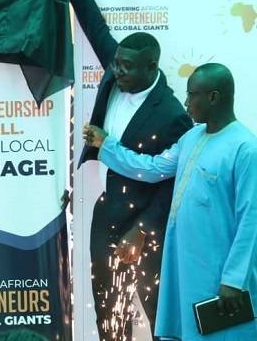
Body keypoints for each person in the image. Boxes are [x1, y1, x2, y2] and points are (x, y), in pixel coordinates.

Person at [57, 0, 193, 340]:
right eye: (116, 63)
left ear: (153, 67)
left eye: (128, 67)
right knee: (108, 312)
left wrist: (145, 231)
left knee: (156, 314)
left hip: (145, 224)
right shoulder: (117, 70)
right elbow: (95, 26)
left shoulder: (172, 115)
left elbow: (174, 184)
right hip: (108, 213)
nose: (118, 71)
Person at [84, 63, 257, 340]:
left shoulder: (246, 148)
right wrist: (107, 146)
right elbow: (152, 168)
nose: (186, 103)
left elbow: (252, 220)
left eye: (192, 95)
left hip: (219, 271)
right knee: (187, 330)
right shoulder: (191, 137)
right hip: (183, 263)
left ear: (213, 97)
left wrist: (233, 279)